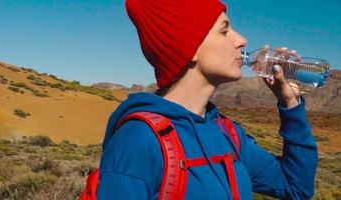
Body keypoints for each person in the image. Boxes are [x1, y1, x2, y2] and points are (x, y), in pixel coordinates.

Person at [97, 0, 318, 199]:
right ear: (190, 48)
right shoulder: (138, 140)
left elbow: (296, 187)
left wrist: (290, 103)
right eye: (224, 31)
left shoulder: (226, 133)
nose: (242, 40)